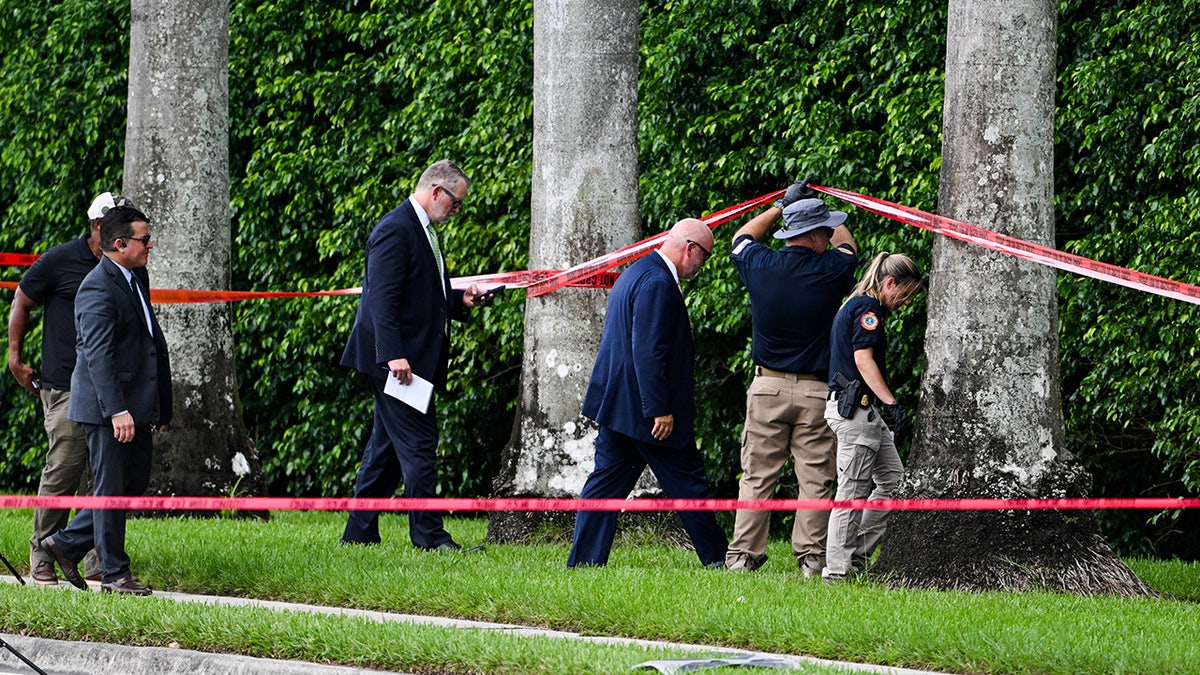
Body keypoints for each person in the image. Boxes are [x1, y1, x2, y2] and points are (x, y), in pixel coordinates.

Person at [339, 159, 491, 551]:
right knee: (421, 444)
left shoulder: (419, 229)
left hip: (404, 359)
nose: (456, 211)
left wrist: (460, 301)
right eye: (455, 203)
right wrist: (393, 355)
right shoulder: (395, 228)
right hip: (397, 363)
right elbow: (382, 300)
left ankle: (358, 535)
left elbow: (421, 296)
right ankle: (430, 538)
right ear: (437, 191)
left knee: (386, 452)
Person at [567, 218, 728, 568]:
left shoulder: (637, 272)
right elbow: (648, 350)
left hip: (619, 406)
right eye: (705, 256)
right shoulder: (657, 282)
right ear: (690, 249)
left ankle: (583, 563)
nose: (702, 265)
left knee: (605, 486)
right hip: (647, 412)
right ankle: (718, 558)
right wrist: (659, 407)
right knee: (688, 481)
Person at [725, 185, 859, 577]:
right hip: (816, 391)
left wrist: (781, 206)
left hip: (767, 388)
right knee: (816, 478)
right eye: (825, 231)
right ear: (816, 236)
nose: (829, 236)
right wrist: (827, 209)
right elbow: (848, 248)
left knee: (757, 475)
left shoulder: (760, 265)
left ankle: (742, 557)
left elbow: (741, 238)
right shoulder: (831, 269)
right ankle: (812, 559)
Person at [42, 204, 173, 596]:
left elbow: (148, 340)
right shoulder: (96, 286)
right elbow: (98, 355)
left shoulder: (136, 276)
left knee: (131, 484)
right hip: (107, 409)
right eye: (144, 239)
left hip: (137, 404)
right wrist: (117, 410)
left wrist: (159, 405)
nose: (150, 245)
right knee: (112, 487)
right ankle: (115, 574)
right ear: (120, 243)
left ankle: (65, 543)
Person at [7, 193, 128, 586]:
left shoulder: (123, 264)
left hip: (109, 385)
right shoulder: (60, 260)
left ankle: (93, 557)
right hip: (64, 385)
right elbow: (21, 300)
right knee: (64, 467)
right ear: (98, 225)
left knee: (104, 474)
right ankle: (43, 553)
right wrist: (15, 358)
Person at [822, 252, 922, 582]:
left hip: (865, 413)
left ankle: (857, 556)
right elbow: (863, 360)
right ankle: (837, 571)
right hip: (855, 413)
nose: (906, 302)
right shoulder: (868, 309)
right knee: (851, 492)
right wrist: (893, 404)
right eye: (905, 293)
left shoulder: (857, 304)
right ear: (889, 283)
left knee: (893, 482)